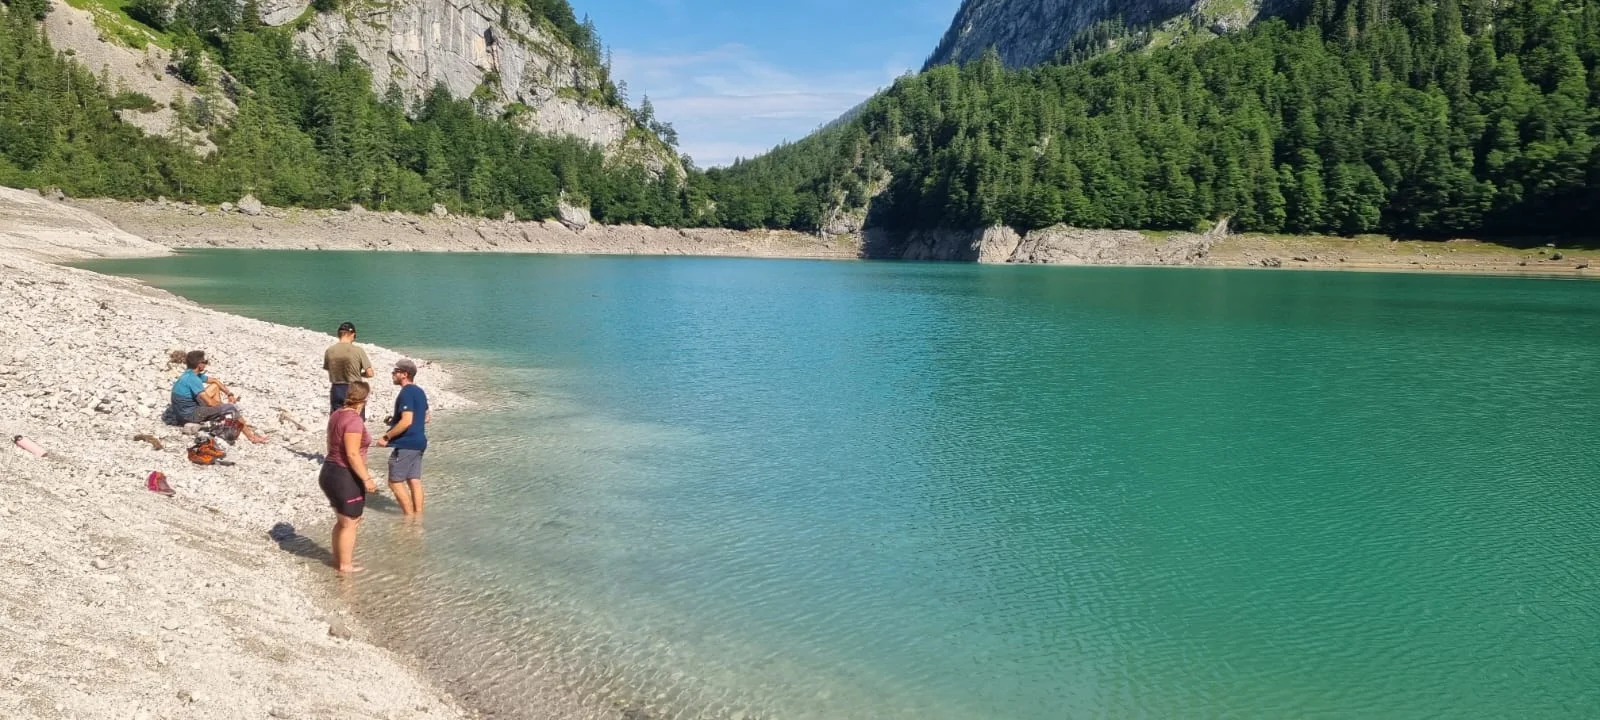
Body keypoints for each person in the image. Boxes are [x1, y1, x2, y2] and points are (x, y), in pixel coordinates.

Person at [319, 381, 376, 573]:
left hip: (329, 471)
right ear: (365, 399)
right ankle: (345, 566)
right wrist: (367, 479)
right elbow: (352, 454)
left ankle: (339, 561)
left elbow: (332, 443)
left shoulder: (337, 414)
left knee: (343, 521)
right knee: (351, 522)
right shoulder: (354, 421)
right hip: (344, 475)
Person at [169, 350, 268, 443]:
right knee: (231, 408)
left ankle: (220, 416)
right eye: (205, 361)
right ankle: (252, 437)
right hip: (189, 416)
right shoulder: (193, 379)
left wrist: (229, 394)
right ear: (199, 364)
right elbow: (210, 402)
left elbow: (214, 381)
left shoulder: (189, 374)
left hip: (183, 411)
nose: (206, 364)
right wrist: (225, 406)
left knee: (214, 387)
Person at [377, 359, 428, 516]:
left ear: (404, 375)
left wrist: (386, 437)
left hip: (407, 444)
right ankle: (418, 517)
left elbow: (407, 421)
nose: (393, 375)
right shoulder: (420, 391)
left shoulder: (405, 392)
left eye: (395, 372)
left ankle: (408, 518)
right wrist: (394, 421)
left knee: (394, 482)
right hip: (419, 443)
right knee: (414, 480)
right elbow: (426, 417)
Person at [323, 322, 375, 415]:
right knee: (355, 420)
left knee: (338, 419)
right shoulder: (358, 350)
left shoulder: (329, 350)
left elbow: (328, 368)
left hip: (336, 388)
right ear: (353, 334)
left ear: (339, 334)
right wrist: (360, 374)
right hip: (355, 389)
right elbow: (370, 373)